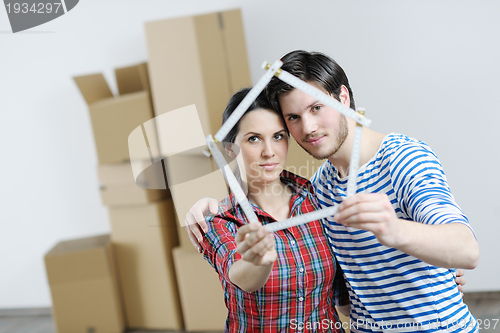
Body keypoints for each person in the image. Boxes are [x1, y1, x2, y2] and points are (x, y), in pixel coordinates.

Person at [187, 51, 478, 332]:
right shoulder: (319, 189)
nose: (309, 127)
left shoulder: (404, 158)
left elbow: (466, 249)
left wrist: (396, 232)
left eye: (316, 107)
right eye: (294, 118)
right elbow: (346, 291)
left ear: (343, 98)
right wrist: (210, 203)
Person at [201, 87, 349, 332]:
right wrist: (257, 262)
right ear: (229, 148)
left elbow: (344, 299)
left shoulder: (317, 198)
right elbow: (240, 277)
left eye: (278, 136)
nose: (269, 151)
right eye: (254, 138)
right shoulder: (220, 219)